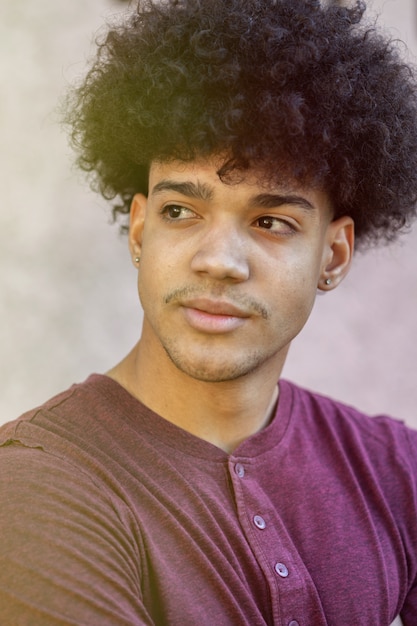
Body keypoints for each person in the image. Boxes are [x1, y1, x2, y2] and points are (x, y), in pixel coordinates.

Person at [1, 0, 417, 623]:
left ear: (332, 254)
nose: (219, 260)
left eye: (271, 221)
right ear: (140, 231)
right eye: (180, 212)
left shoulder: (396, 470)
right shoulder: (40, 488)